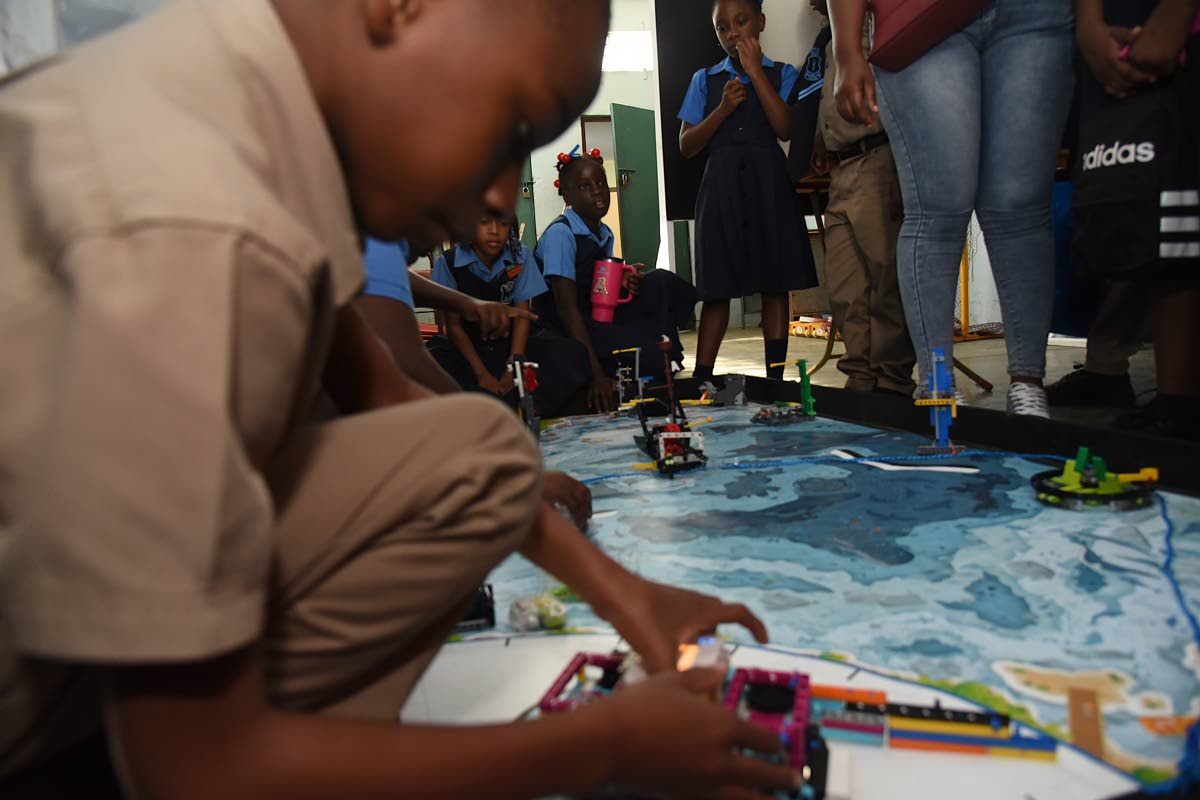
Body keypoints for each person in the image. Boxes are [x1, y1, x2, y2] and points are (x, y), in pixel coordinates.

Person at [0, 2, 803, 799]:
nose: (500, 196)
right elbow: (192, 771)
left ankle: (300, 743)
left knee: (479, 446)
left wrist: (630, 597)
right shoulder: (193, 225)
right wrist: (606, 744)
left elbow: (390, 396)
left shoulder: (249, 104)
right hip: (59, 732)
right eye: (513, 124)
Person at [828, 0, 1076, 416]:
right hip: (918, 14)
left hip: (1034, 13)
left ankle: (1028, 385)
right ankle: (938, 386)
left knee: (1020, 209)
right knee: (936, 211)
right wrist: (846, 48)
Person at [1068, 0, 1199, 437]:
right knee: (1162, 213)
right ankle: (1177, 401)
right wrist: (1089, 24)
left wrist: (1177, 9)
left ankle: (1178, 401)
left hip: (1170, 23)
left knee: (1177, 209)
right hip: (1120, 30)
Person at [679, 0, 819, 382]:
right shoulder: (704, 80)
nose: (732, 33)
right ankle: (702, 377)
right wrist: (721, 110)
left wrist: (756, 73)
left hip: (768, 186)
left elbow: (786, 129)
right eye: (722, 28)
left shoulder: (782, 73)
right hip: (720, 189)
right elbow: (687, 144)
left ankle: (775, 380)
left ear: (761, 22)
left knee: (775, 284)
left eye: (740, 22)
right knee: (717, 287)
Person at [808, 0, 917, 396]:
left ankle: (891, 378)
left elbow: (900, 92)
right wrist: (822, 137)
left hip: (877, 159)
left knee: (885, 279)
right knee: (845, 285)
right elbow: (832, 95)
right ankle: (860, 372)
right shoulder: (827, 41)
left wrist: (901, 170)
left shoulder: (876, 23)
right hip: (841, 169)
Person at [535, 150, 697, 413]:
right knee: (643, 341)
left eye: (601, 182)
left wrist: (621, 279)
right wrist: (597, 376)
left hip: (595, 315)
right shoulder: (560, 235)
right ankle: (619, 368)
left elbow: (595, 282)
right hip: (565, 328)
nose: (597, 191)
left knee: (660, 283)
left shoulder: (602, 232)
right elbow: (566, 309)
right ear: (567, 196)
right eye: (585, 186)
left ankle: (664, 356)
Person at [426, 205, 590, 416]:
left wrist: (515, 365)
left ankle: (522, 406)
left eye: (503, 224)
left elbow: (523, 317)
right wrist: (482, 375)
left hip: (512, 343)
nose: (495, 231)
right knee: (431, 365)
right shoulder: (449, 263)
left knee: (572, 354)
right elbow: (454, 327)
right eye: (484, 223)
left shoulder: (521, 257)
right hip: (469, 348)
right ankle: (499, 406)